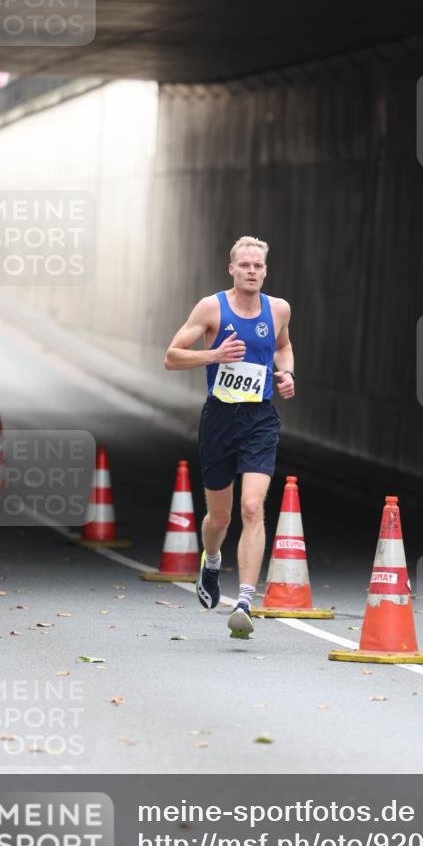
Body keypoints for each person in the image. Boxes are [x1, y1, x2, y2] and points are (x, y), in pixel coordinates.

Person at [164, 236, 295, 638]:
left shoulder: (278, 310)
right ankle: (213, 559)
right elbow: (171, 356)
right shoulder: (210, 308)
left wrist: (288, 374)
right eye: (245, 265)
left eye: (258, 266)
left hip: (260, 418)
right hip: (219, 418)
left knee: (252, 507)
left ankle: (244, 601)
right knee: (218, 518)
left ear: (265, 270)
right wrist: (213, 356)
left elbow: (284, 347)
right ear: (232, 269)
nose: (252, 271)